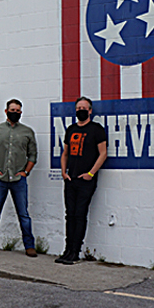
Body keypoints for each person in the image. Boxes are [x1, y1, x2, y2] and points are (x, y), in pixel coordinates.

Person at [0, 99, 40, 257]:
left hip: (19, 180)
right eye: (13, 110)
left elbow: (33, 155)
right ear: (6, 111)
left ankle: (30, 246)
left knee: (24, 215)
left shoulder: (27, 132)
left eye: (18, 110)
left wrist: (26, 172)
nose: (16, 113)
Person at [56, 96, 107, 264]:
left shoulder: (96, 129)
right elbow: (65, 153)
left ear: (90, 111)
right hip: (71, 179)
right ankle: (67, 250)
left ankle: (76, 251)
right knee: (69, 215)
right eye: (78, 108)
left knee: (80, 214)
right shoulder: (70, 129)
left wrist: (91, 173)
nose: (81, 111)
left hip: (86, 181)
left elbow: (103, 154)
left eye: (84, 108)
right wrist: (64, 172)